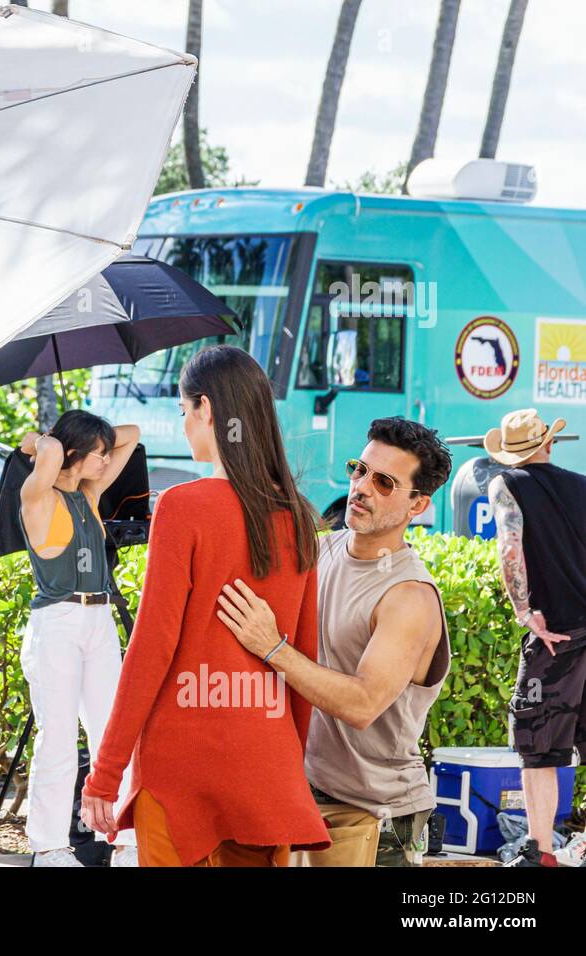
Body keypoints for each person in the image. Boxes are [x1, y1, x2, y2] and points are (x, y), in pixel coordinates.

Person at [80, 345, 330, 867]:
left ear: (207, 409)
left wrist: (105, 775)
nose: (184, 424)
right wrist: (285, 762)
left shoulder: (181, 507)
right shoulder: (299, 518)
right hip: (265, 770)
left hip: (181, 772)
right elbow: (304, 657)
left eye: (183, 411)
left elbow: (151, 648)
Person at [216, 417, 453, 867]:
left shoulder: (408, 597)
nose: (361, 487)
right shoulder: (321, 551)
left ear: (417, 504)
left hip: (377, 816)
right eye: (358, 469)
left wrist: (272, 648)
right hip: (302, 796)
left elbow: (363, 704)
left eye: (384, 482)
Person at [16, 409, 142, 867]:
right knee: (58, 737)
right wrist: (41, 442)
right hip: (57, 622)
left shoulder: (89, 493)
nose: (108, 462)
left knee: (113, 732)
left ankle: (125, 839)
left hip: (98, 618)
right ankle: (49, 848)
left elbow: (133, 433)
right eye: (98, 455)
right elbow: (47, 452)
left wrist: (94, 441)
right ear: (72, 455)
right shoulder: (37, 495)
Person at [485, 409, 586, 868]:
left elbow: (510, 545)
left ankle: (540, 852)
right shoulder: (583, 485)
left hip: (556, 638)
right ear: (550, 443)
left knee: (538, 747)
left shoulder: (507, 483)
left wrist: (526, 613)